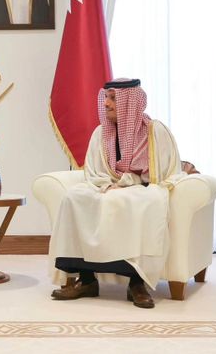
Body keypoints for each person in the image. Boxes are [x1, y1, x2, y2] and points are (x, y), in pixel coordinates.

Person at [50, 78, 188, 309]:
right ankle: (86, 280)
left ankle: (137, 283)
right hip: (106, 187)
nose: (106, 103)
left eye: (113, 98)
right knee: (75, 197)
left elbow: (162, 173)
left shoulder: (154, 131)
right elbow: (94, 171)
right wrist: (107, 185)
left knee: (141, 202)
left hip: (143, 189)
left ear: (130, 102)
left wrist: (127, 182)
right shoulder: (100, 133)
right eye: (106, 97)